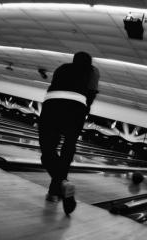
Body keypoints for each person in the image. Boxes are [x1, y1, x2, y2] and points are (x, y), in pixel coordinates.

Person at [38, 52, 100, 215]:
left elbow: (53, 85)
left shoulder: (61, 68)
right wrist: (84, 111)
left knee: (47, 152)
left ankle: (61, 185)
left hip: (51, 104)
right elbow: (91, 93)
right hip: (76, 107)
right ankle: (58, 188)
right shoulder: (92, 71)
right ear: (89, 62)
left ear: (74, 60)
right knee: (68, 148)